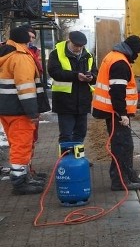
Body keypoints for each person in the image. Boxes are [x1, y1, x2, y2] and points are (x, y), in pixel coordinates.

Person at [92, 35, 140, 191]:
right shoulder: (120, 63)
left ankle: (129, 175)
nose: (136, 56)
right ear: (132, 50)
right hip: (114, 112)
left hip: (112, 111)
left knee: (125, 145)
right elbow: (117, 92)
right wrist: (122, 114)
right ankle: (120, 181)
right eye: (137, 52)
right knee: (122, 145)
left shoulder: (114, 56)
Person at [0, 25, 51, 194]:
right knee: (21, 145)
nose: (32, 40)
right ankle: (20, 182)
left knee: (16, 144)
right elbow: (26, 88)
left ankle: (24, 175)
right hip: (19, 110)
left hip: (6, 108)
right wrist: (32, 112)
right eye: (30, 37)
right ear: (24, 38)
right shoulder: (20, 57)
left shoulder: (5, 53)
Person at [47, 31, 97, 145]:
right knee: (66, 134)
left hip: (83, 102)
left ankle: (77, 160)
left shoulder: (88, 55)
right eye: (76, 46)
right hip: (64, 102)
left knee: (80, 133)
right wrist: (76, 76)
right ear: (69, 41)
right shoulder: (56, 54)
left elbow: (95, 72)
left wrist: (91, 78)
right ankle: (66, 160)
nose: (78, 49)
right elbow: (54, 72)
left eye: (81, 46)